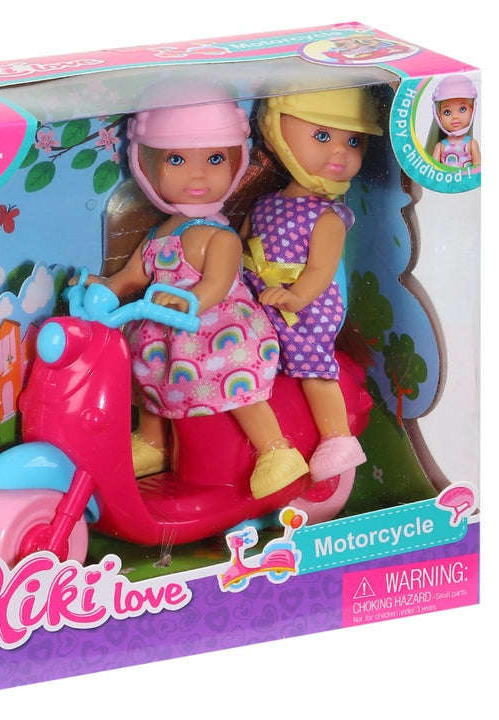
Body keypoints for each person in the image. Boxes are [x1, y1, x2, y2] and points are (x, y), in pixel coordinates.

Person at [81, 87, 307, 499]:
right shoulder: (158, 234)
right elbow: (134, 273)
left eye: (215, 159)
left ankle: (276, 450)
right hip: (165, 329)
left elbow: (216, 285)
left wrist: (187, 302)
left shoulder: (220, 236)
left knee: (234, 375)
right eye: (177, 160)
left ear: (236, 162)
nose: (198, 175)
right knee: (145, 370)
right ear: (147, 166)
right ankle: (153, 442)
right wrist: (107, 287)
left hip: (217, 327)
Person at [242, 88, 382, 482]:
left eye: (353, 142)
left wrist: (296, 297)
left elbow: (321, 270)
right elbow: (243, 247)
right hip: (263, 299)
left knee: (311, 362)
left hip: (309, 307)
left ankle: (337, 438)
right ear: (276, 134)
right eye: (322, 136)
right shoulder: (265, 204)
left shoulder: (328, 217)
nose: (340, 151)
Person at [430, 74, 480, 168]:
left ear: (472, 110)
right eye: (447, 112)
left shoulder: (471, 144)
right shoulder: (441, 146)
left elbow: (478, 169)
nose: (455, 117)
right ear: (438, 115)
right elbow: (433, 169)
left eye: (462, 109)